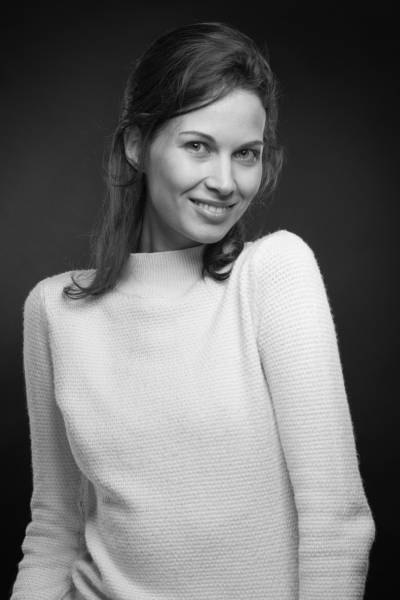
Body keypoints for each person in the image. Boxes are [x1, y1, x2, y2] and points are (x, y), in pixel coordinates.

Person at [10, 21, 375, 600]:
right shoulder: (52, 311)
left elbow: (339, 526)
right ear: (137, 145)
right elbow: (55, 530)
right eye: (198, 146)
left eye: (246, 154)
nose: (225, 182)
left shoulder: (274, 273)